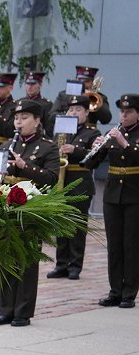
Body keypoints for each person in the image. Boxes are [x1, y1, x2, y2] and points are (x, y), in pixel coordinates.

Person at [0, 99, 60, 327]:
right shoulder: (8, 146)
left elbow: (51, 178)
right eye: (16, 118)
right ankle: (6, 309)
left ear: (37, 120)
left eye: (24, 118)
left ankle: (23, 311)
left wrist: (25, 167)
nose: (19, 122)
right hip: (9, 208)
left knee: (27, 259)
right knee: (7, 256)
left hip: (31, 209)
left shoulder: (48, 146)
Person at [83, 93, 139, 309]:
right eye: (122, 112)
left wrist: (123, 142)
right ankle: (115, 290)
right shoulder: (112, 133)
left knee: (131, 245)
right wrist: (97, 147)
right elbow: (90, 165)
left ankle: (129, 292)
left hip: (134, 194)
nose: (124, 115)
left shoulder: (126, 136)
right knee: (114, 245)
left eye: (129, 112)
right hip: (113, 194)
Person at [48, 94, 99, 281]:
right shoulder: (61, 132)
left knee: (77, 226)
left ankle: (75, 266)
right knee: (60, 225)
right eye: (70, 109)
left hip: (81, 182)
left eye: (78, 109)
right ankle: (61, 264)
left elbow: (95, 158)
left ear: (86, 112)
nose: (73, 112)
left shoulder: (93, 133)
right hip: (62, 182)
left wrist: (75, 150)